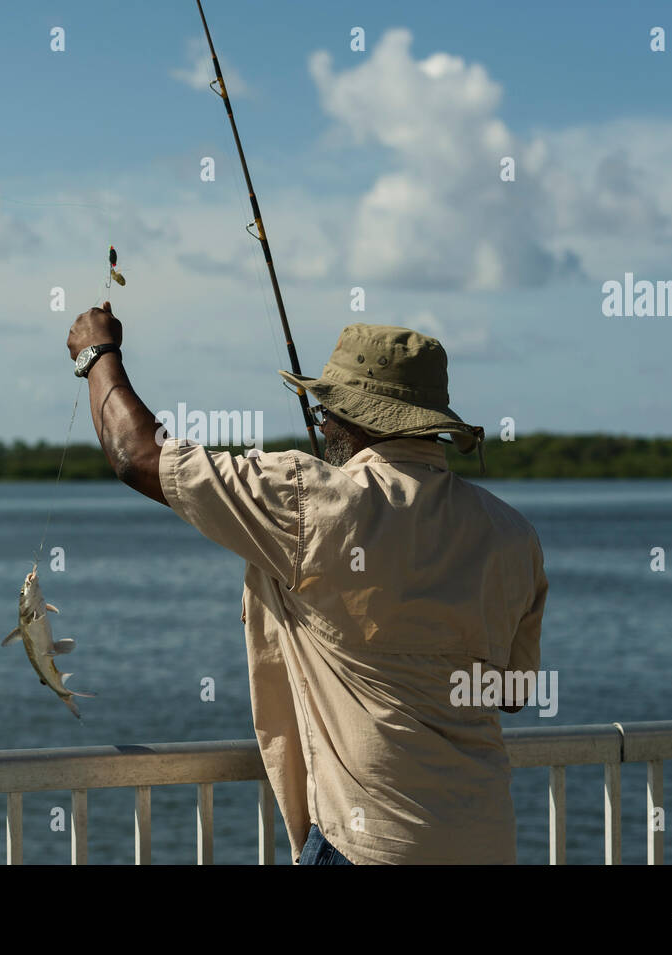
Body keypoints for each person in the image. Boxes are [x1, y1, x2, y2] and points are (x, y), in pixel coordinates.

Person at [66, 311, 548, 864]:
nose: (320, 427)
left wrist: (96, 355)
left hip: (367, 847)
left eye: (324, 412)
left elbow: (139, 457)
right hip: (486, 843)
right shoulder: (513, 534)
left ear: (350, 418)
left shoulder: (312, 500)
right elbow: (510, 694)